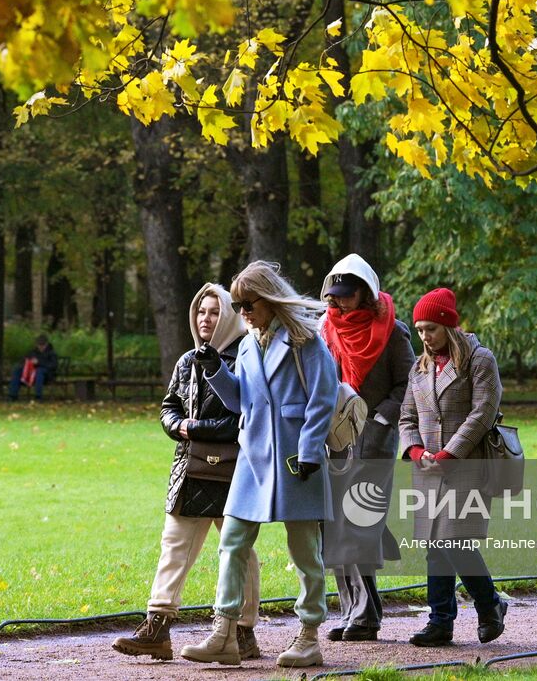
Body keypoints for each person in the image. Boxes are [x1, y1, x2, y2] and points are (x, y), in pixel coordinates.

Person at [179, 261, 339, 669]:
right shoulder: (248, 344)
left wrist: (308, 450)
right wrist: (215, 368)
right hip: (252, 457)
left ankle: (308, 635)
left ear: (268, 298)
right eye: (237, 304)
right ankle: (224, 633)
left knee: (305, 551)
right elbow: (240, 401)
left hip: (294, 458)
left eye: (247, 303)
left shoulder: (306, 341)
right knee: (231, 542)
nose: (243, 311)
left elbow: (323, 399)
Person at [112, 284, 264, 661]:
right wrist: (176, 424)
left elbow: (243, 418)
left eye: (214, 312)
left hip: (233, 468)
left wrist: (193, 427)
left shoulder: (246, 356)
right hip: (190, 466)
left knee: (239, 549)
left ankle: (243, 631)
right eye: (200, 311)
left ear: (228, 315)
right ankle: (157, 626)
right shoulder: (187, 360)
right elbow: (169, 405)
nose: (205, 319)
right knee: (174, 543)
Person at [398, 287, 507, 647]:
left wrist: (448, 453)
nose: (424, 336)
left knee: (456, 541)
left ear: (448, 325)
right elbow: (406, 417)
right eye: (419, 329)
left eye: (430, 328)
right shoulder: (420, 366)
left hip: (466, 465)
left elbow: (482, 413)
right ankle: (440, 621)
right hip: (428, 469)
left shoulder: (480, 359)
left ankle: (489, 603)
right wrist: (415, 451)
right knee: (434, 544)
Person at [318, 254, 414, 642]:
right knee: (333, 525)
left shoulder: (393, 331)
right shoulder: (324, 329)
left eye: (347, 295)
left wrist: (379, 419)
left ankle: (364, 614)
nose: (339, 302)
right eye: (334, 296)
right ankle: (355, 612)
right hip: (335, 439)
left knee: (359, 522)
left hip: (375, 440)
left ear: (366, 293)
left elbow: (409, 383)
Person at [8, 333, 59, 401]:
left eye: (43, 345)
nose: (41, 347)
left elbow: (54, 365)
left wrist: (39, 363)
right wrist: (28, 363)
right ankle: (12, 395)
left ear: (46, 344)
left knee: (39, 371)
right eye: (39, 345)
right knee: (17, 370)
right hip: (31, 374)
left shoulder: (52, 353)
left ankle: (38, 396)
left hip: (46, 375)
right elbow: (24, 360)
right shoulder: (33, 352)